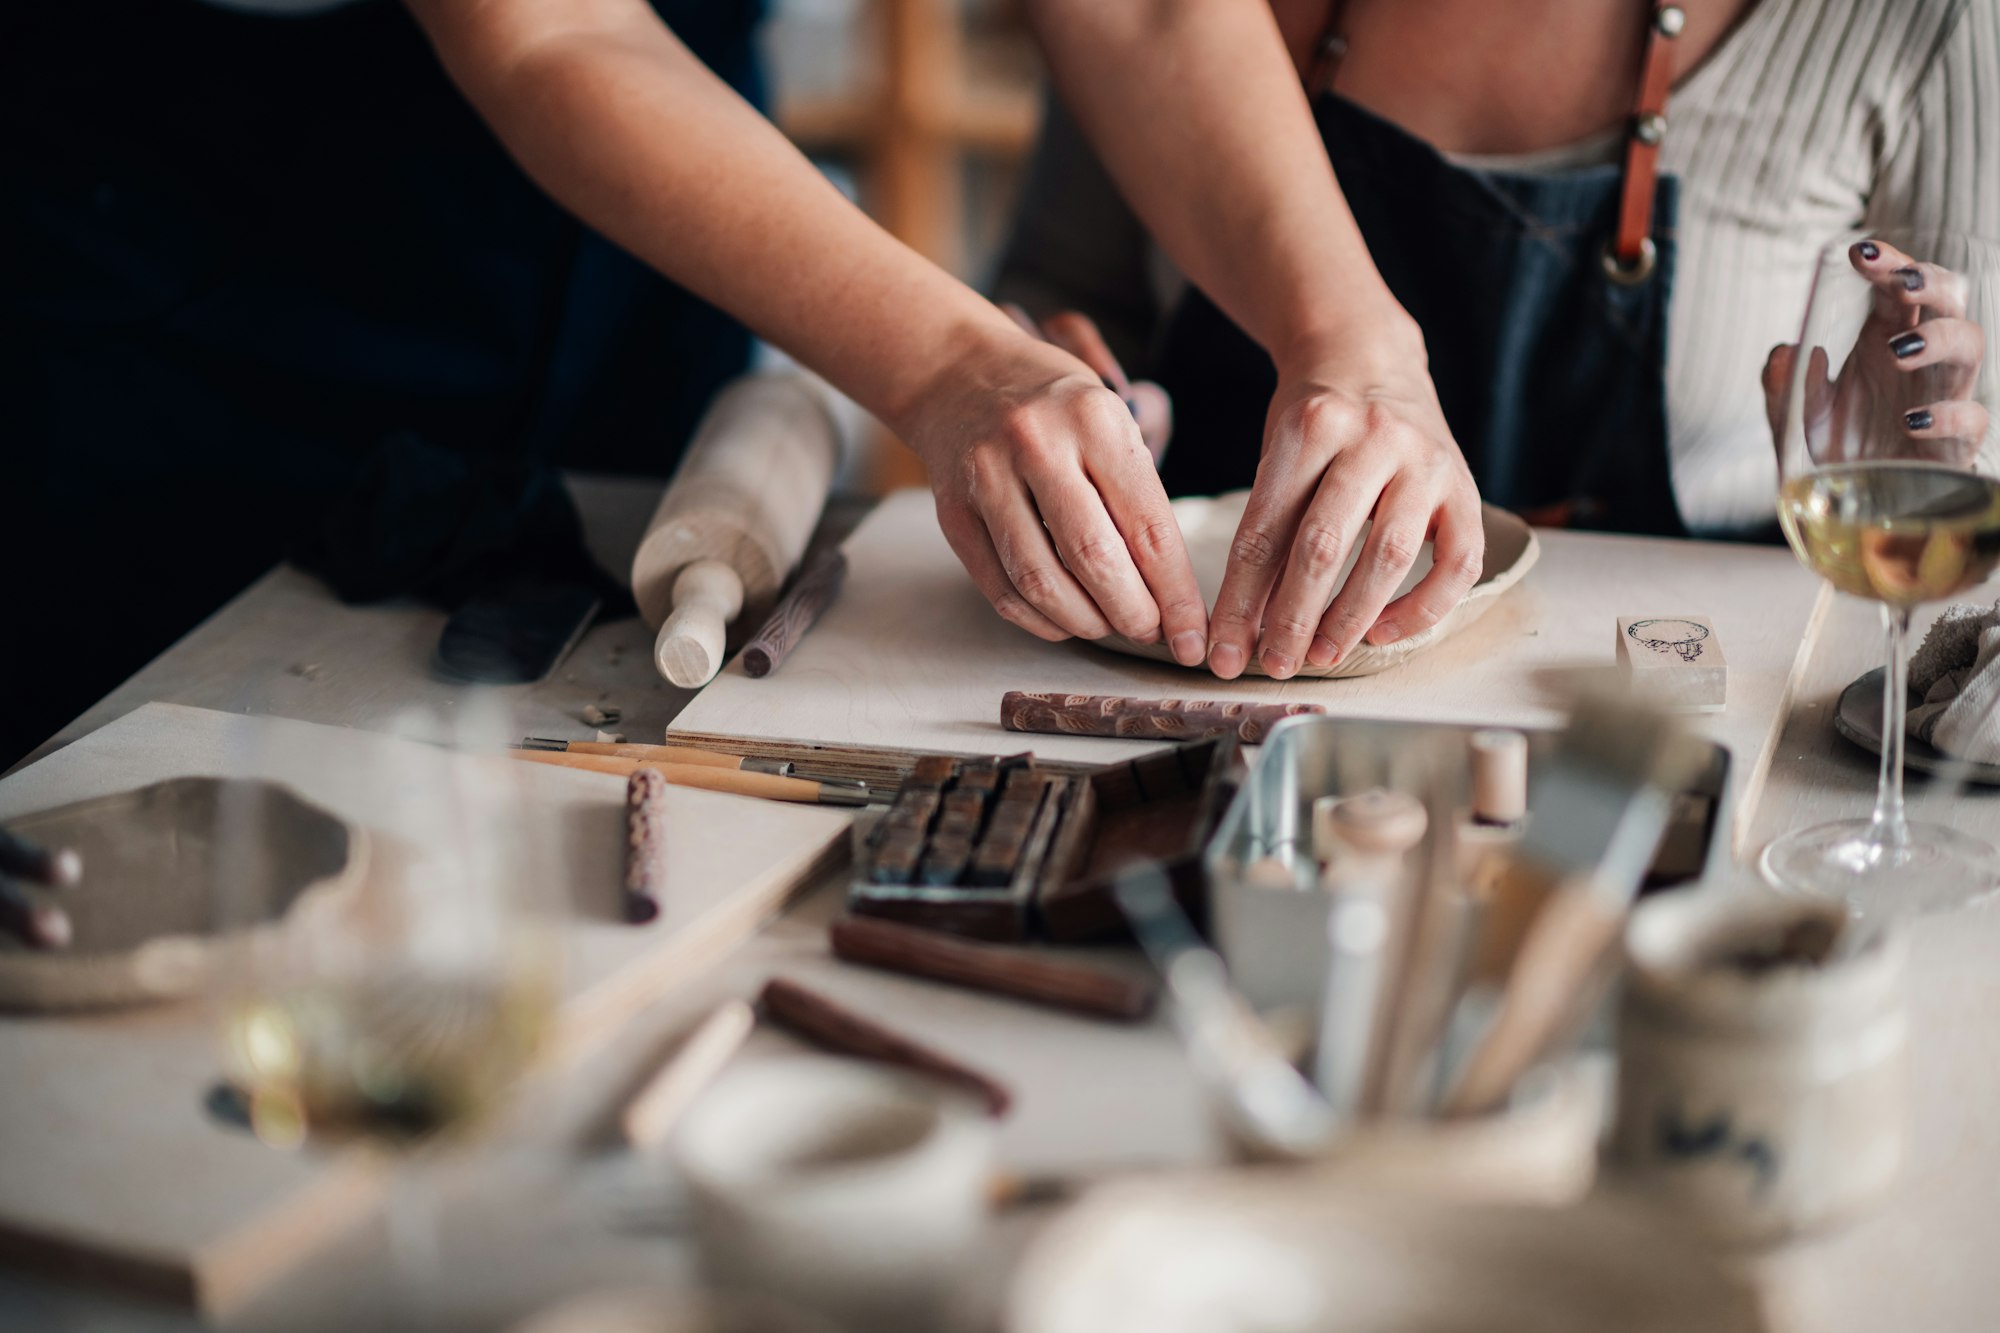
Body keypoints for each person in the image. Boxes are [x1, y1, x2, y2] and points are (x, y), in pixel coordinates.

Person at [1, 0, 1515, 765]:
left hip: (655, 208)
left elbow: (1144, 10)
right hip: (193, 247)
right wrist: (950, 362)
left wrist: (1360, 344)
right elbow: (551, 27)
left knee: (612, 713)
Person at [998, 0, 2000, 676]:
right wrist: (1050, 382)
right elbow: (1059, 291)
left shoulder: (1919, 24)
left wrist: (1916, 470)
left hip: (1650, 714)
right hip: (1211, 687)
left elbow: (1973, 499)